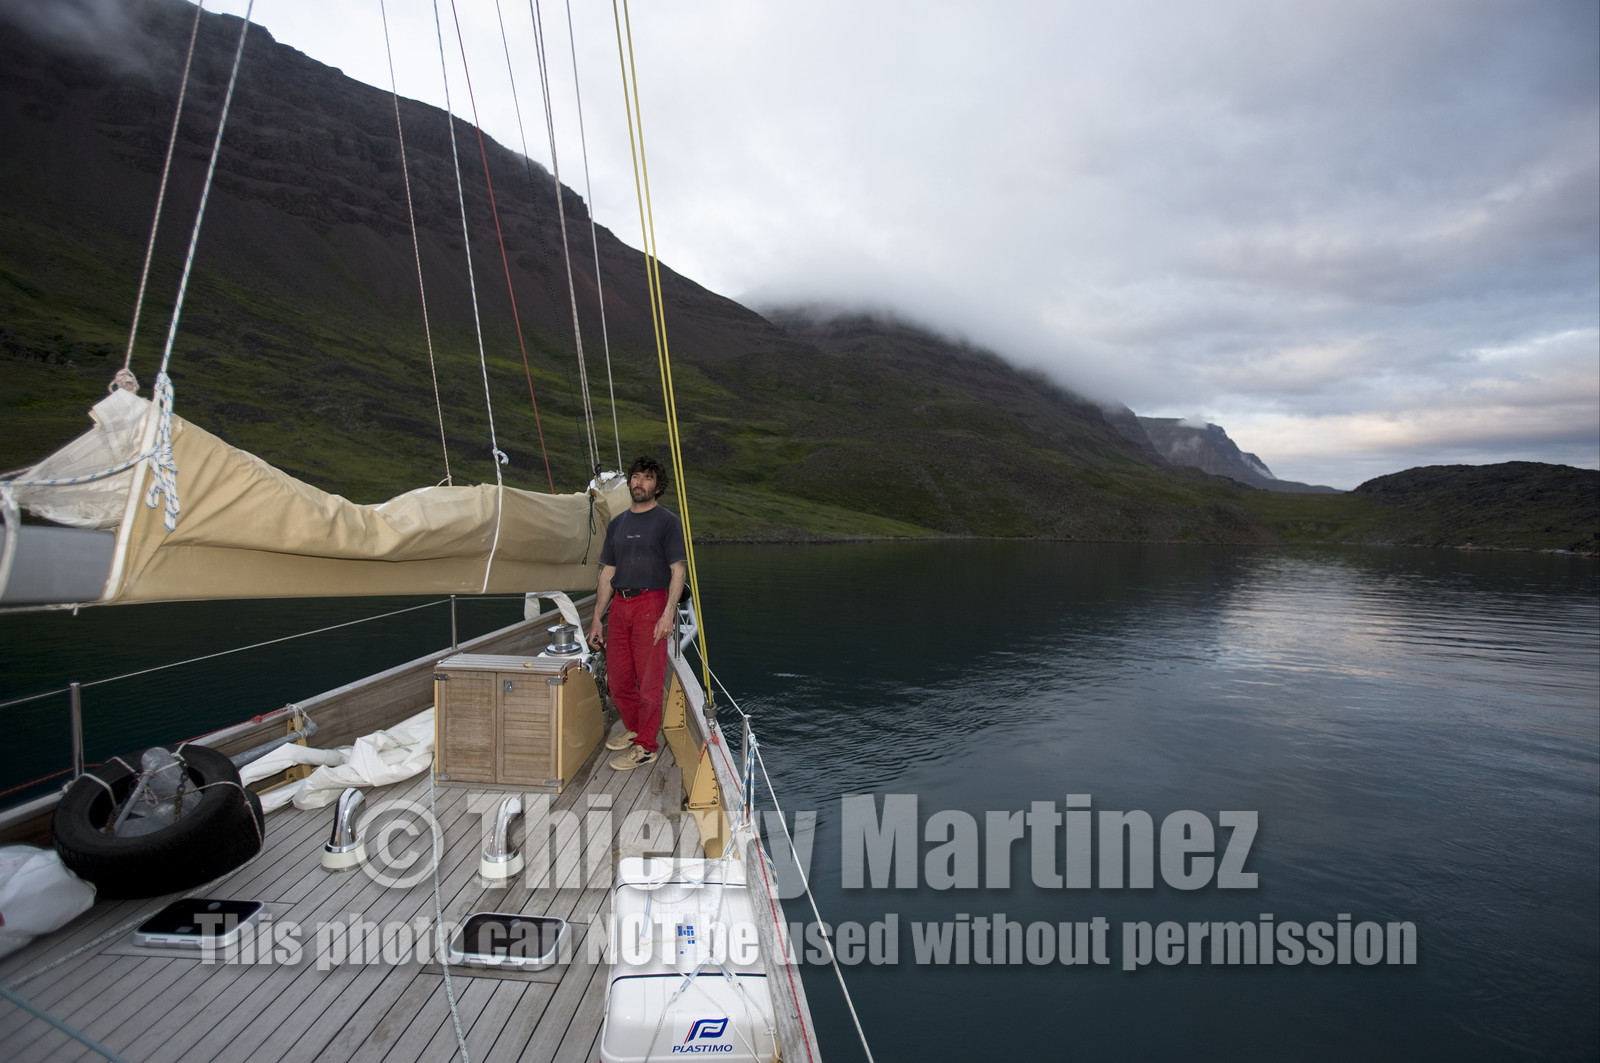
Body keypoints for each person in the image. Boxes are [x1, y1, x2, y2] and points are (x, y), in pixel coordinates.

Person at [587, 456, 687, 770]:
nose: (638, 483)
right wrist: (596, 618)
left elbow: (678, 571)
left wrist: (668, 613)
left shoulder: (667, 521)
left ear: (658, 487)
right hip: (620, 606)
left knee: (649, 682)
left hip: (652, 603)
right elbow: (607, 574)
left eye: (646, 478)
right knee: (617, 680)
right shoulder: (618, 524)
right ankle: (634, 726)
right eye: (635, 477)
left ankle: (646, 746)